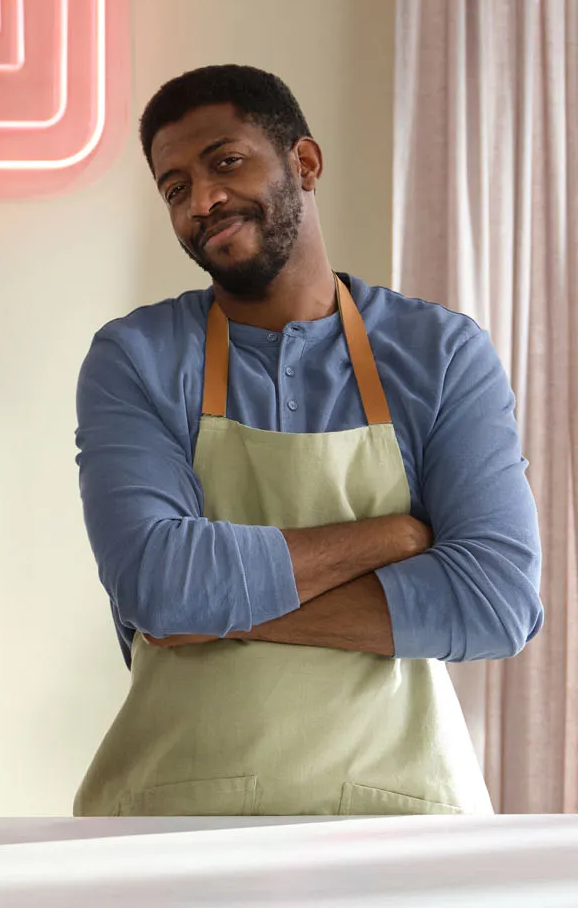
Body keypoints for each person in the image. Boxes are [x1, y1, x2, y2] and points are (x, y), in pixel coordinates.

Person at [70, 64, 543, 817]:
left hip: (402, 822)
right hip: (175, 825)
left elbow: (494, 601)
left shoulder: (441, 353)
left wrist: (210, 614)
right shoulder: (138, 356)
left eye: (226, 162)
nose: (203, 201)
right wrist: (394, 537)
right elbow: (158, 586)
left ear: (306, 163)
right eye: (175, 188)